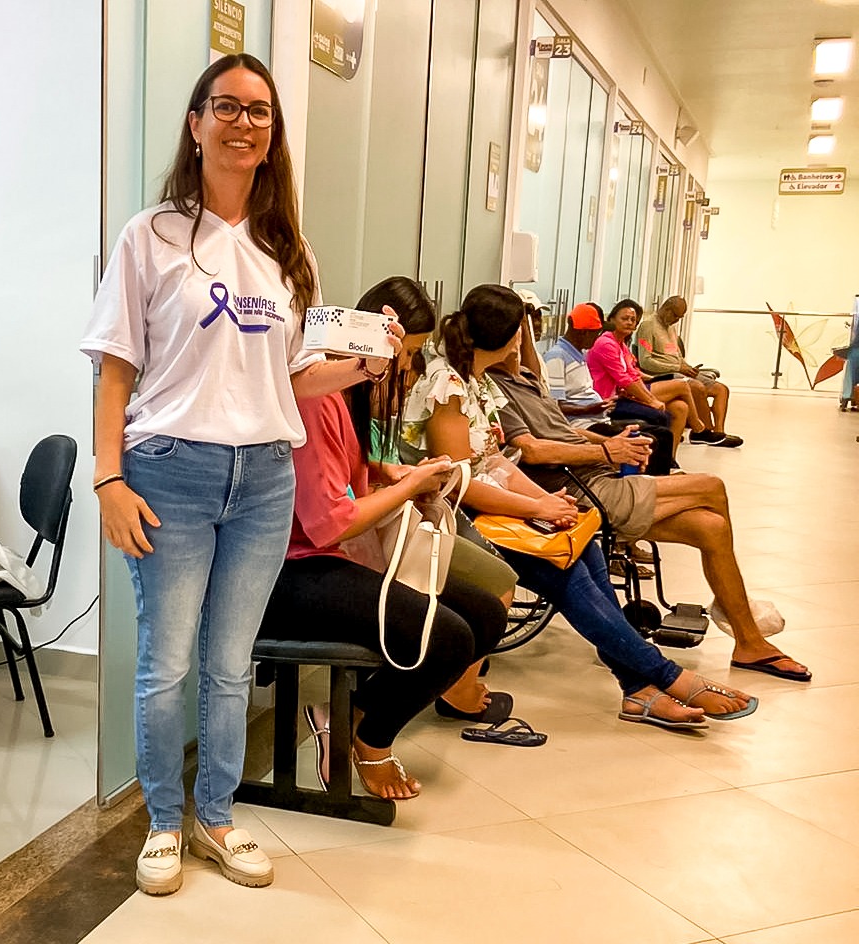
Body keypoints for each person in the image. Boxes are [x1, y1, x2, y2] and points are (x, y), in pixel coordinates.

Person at [80, 54, 403, 896]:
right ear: (196, 124)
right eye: (226, 107)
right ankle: (162, 822)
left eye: (259, 112)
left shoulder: (287, 251)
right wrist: (109, 482)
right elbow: (115, 370)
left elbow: (289, 380)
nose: (243, 122)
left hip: (264, 478)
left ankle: (216, 817)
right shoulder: (149, 235)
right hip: (169, 473)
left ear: (272, 137)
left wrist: (363, 365)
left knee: (230, 666)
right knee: (167, 664)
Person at [403, 284, 758, 728]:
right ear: (511, 335)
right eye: (524, 331)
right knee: (568, 576)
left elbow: (494, 461)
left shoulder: (476, 381)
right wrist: (534, 507)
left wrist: (543, 501)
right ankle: (667, 679)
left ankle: (638, 690)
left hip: (501, 499)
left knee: (584, 548)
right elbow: (458, 480)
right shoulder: (448, 385)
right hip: (461, 514)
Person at [262, 277, 511, 798]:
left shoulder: (343, 396)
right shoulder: (317, 396)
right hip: (288, 573)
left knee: (485, 612)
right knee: (446, 638)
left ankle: (345, 717)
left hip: (325, 555)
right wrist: (408, 487)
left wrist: (386, 472)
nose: (408, 368)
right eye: (407, 354)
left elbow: (336, 473)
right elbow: (329, 520)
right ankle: (371, 739)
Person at [487, 353, 812, 684]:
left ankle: (749, 643)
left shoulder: (527, 378)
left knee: (711, 527)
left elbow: (566, 433)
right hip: (581, 488)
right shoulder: (495, 389)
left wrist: (611, 443)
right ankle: (732, 608)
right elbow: (532, 451)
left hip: (598, 473)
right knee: (712, 486)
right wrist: (607, 452)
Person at [543, 302, 675, 475]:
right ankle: (649, 483)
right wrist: (591, 408)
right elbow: (555, 407)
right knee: (651, 438)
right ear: (583, 332)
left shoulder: (579, 354)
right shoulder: (557, 357)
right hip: (584, 423)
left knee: (662, 433)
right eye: (596, 333)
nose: (598, 337)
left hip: (599, 416)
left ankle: (658, 478)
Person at [586, 299, 710, 455]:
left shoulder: (622, 343)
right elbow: (634, 371)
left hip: (637, 385)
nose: (630, 323)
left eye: (633, 320)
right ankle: (699, 429)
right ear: (611, 319)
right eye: (625, 319)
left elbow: (633, 372)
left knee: (680, 407)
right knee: (684, 386)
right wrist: (651, 399)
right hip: (611, 398)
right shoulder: (610, 342)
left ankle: (669, 460)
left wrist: (654, 380)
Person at [636, 296, 742, 446]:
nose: (677, 321)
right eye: (675, 316)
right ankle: (705, 431)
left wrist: (687, 367)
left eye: (680, 317)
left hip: (679, 370)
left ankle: (719, 433)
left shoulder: (671, 328)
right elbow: (645, 361)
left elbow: (676, 356)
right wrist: (678, 368)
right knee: (697, 387)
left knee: (721, 389)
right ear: (666, 309)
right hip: (662, 374)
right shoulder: (648, 326)